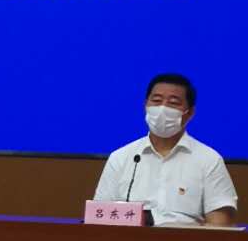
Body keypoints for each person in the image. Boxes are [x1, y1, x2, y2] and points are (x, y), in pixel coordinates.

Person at [94, 73, 238, 227]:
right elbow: (98, 216)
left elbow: (220, 224)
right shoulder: (121, 157)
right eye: (156, 101)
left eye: (173, 103)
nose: (162, 108)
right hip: (129, 240)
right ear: (145, 106)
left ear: (189, 113)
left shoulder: (209, 160)